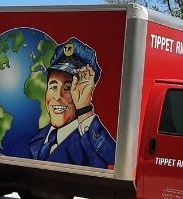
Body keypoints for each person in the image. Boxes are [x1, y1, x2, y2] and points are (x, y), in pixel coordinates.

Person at [8, 38, 116, 168]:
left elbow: (114, 159)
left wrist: (84, 110)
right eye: (53, 86)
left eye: (68, 87)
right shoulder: (23, 143)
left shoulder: (92, 150)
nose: (57, 96)